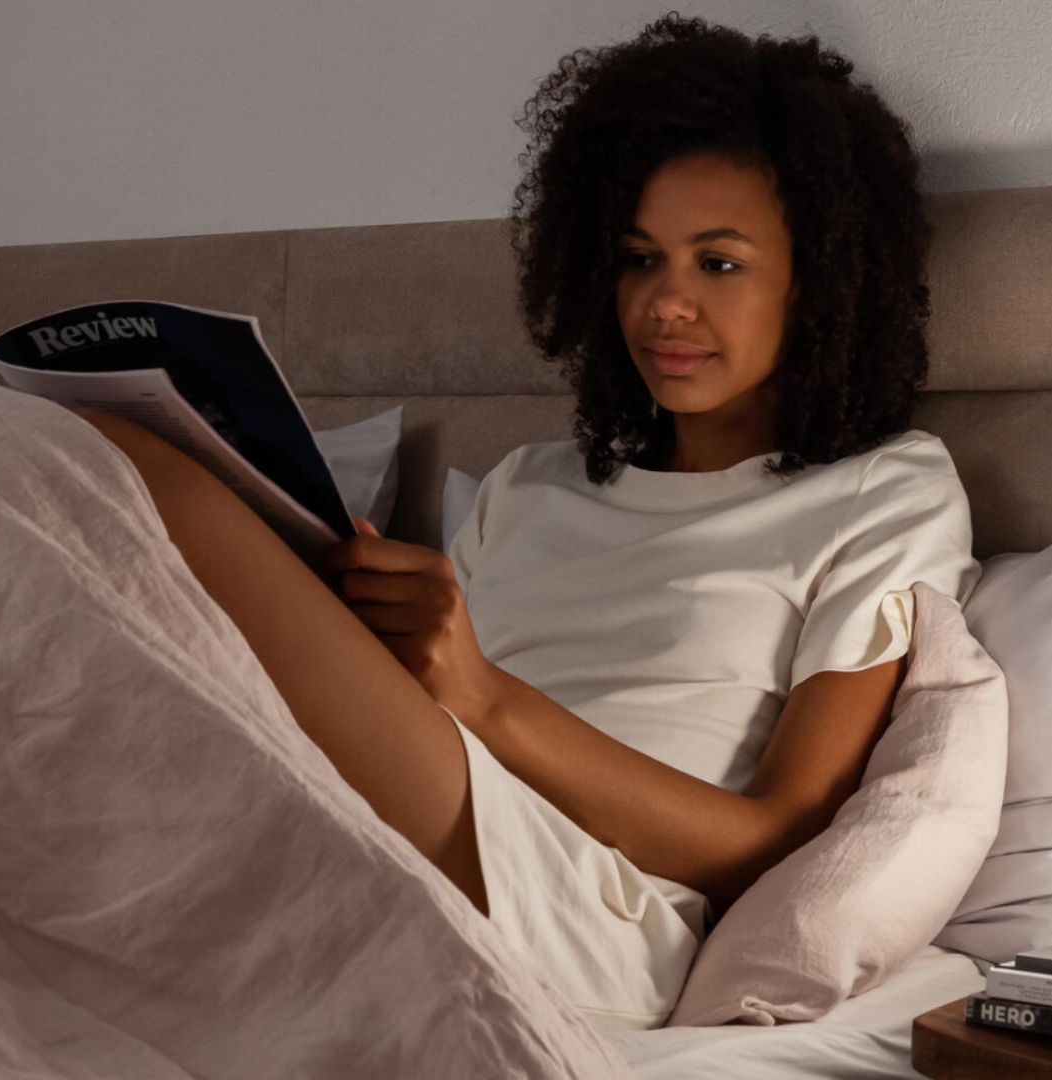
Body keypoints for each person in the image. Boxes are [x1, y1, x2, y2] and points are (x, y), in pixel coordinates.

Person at [72, 13, 978, 1030]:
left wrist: (482, 696)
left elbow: (775, 838)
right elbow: (420, 720)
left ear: (820, 283)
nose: (664, 306)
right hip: (408, 824)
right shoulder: (527, 486)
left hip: (595, 915)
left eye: (717, 265)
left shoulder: (883, 491)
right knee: (98, 505)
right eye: (639, 260)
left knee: (128, 468)